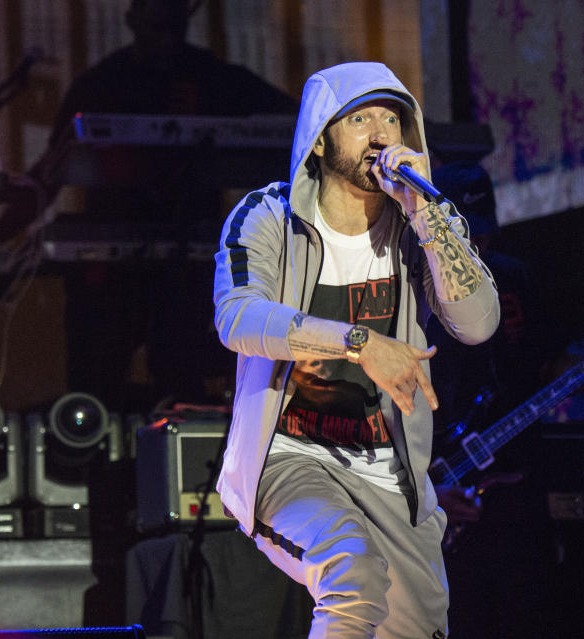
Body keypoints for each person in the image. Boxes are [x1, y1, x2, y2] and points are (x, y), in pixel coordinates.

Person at [213, 61, 501, 638]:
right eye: (361, 118)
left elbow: (478, 324)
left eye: (392, 118)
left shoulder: (420, 220)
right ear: (320, 138)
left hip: (390, 471)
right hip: (289, 457)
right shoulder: (267, 216)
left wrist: (426, 213)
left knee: (418, 627)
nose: (380, 133)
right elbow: (237, 317)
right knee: (352, 571)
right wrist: (359, 342)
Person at [0, 0, 298, 414]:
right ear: (132, 19)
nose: (163, 32)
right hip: (108, 270)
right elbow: (47, 177)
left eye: (171, 22)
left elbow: (300, 124)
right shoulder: (101, 84)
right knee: (97, 383)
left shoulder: (214, 78)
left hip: (191, 265)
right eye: (155, 20)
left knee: (184, 377)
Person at [426, 161, 584, 638]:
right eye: (465, 234)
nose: (478, 246)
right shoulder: (411, 290)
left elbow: (547, 367)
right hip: (436, 489)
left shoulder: (513, 278)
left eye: (483, 234)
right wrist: (424, 493)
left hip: (513, 484)